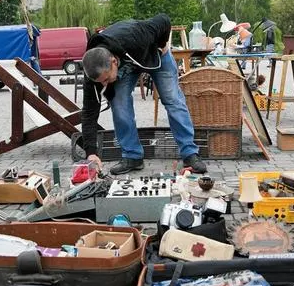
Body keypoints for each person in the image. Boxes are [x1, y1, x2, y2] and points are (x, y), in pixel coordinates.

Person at [80, 13, 207, 175]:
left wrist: (162, 44)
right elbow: (89, 113)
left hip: (155, 55)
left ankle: (190, 153)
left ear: (113, 62)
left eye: (105, 79)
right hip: (128, 62)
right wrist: (91, 152)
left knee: (173, 99)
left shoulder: (137, 35)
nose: (103, 85)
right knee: (118, 103)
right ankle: (132, 156)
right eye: (100, 82)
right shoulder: (93, 69)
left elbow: (163, 20)